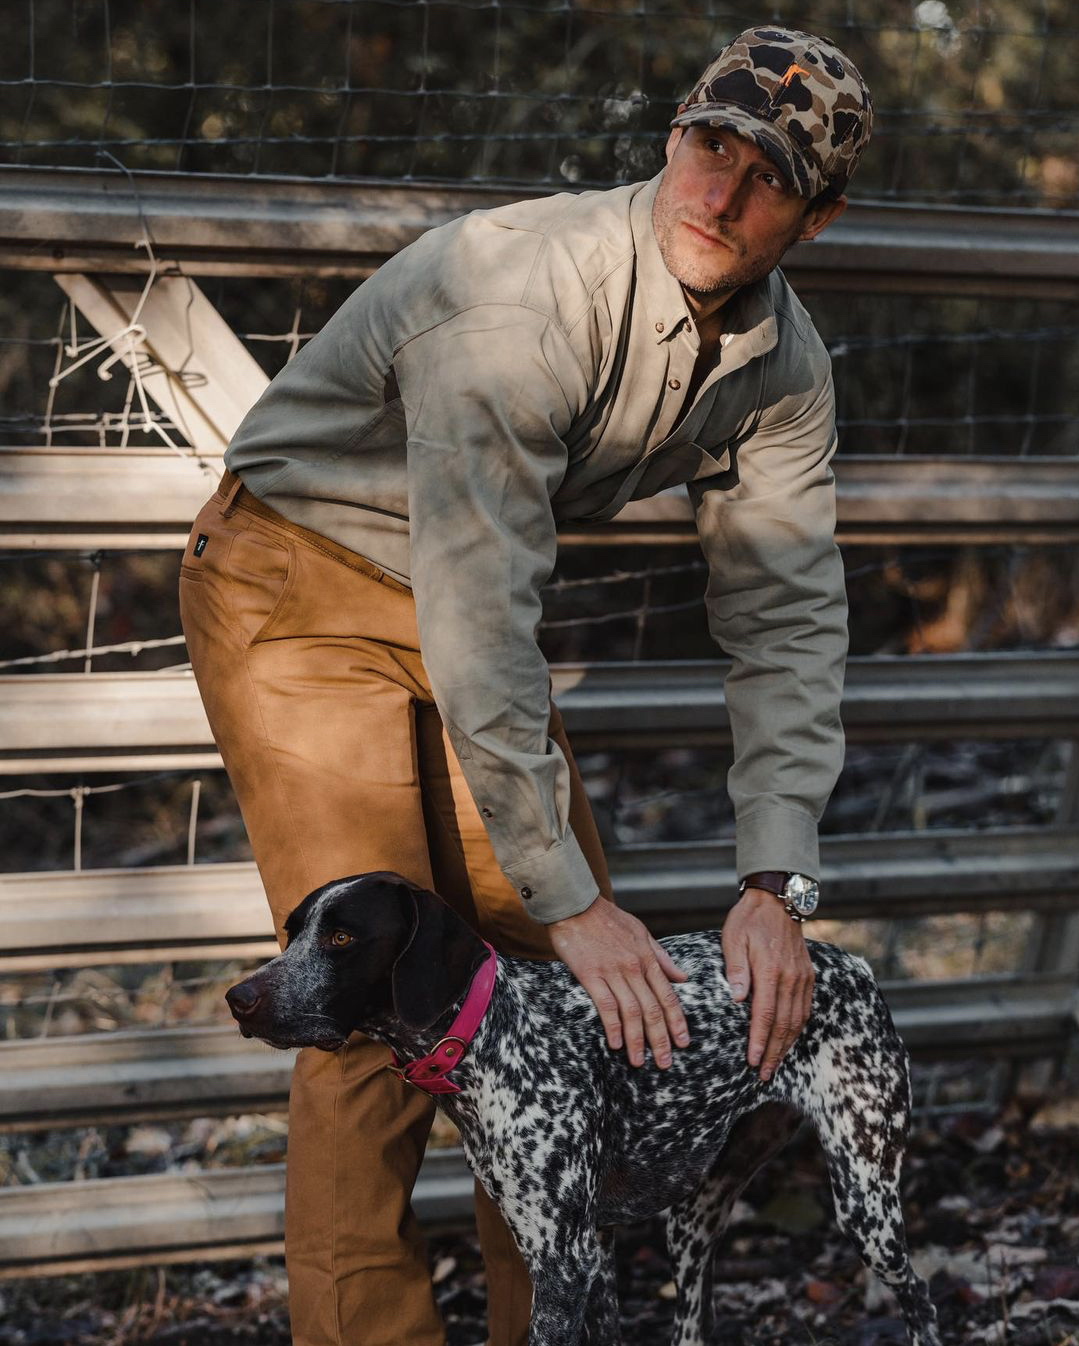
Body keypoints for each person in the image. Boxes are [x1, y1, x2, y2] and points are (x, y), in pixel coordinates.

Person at [178, 24, 873, 1346]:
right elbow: (482, 610)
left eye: (764, 177)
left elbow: (784, 608)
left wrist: (774, 877)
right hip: (301, 581)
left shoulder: (786, 370)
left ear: (817, 214)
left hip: (463, 605)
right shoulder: (521, 298)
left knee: (563, 1001)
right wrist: (568, 898)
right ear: (672, 136)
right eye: (705, 146)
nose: (717, 196)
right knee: (377, 995)